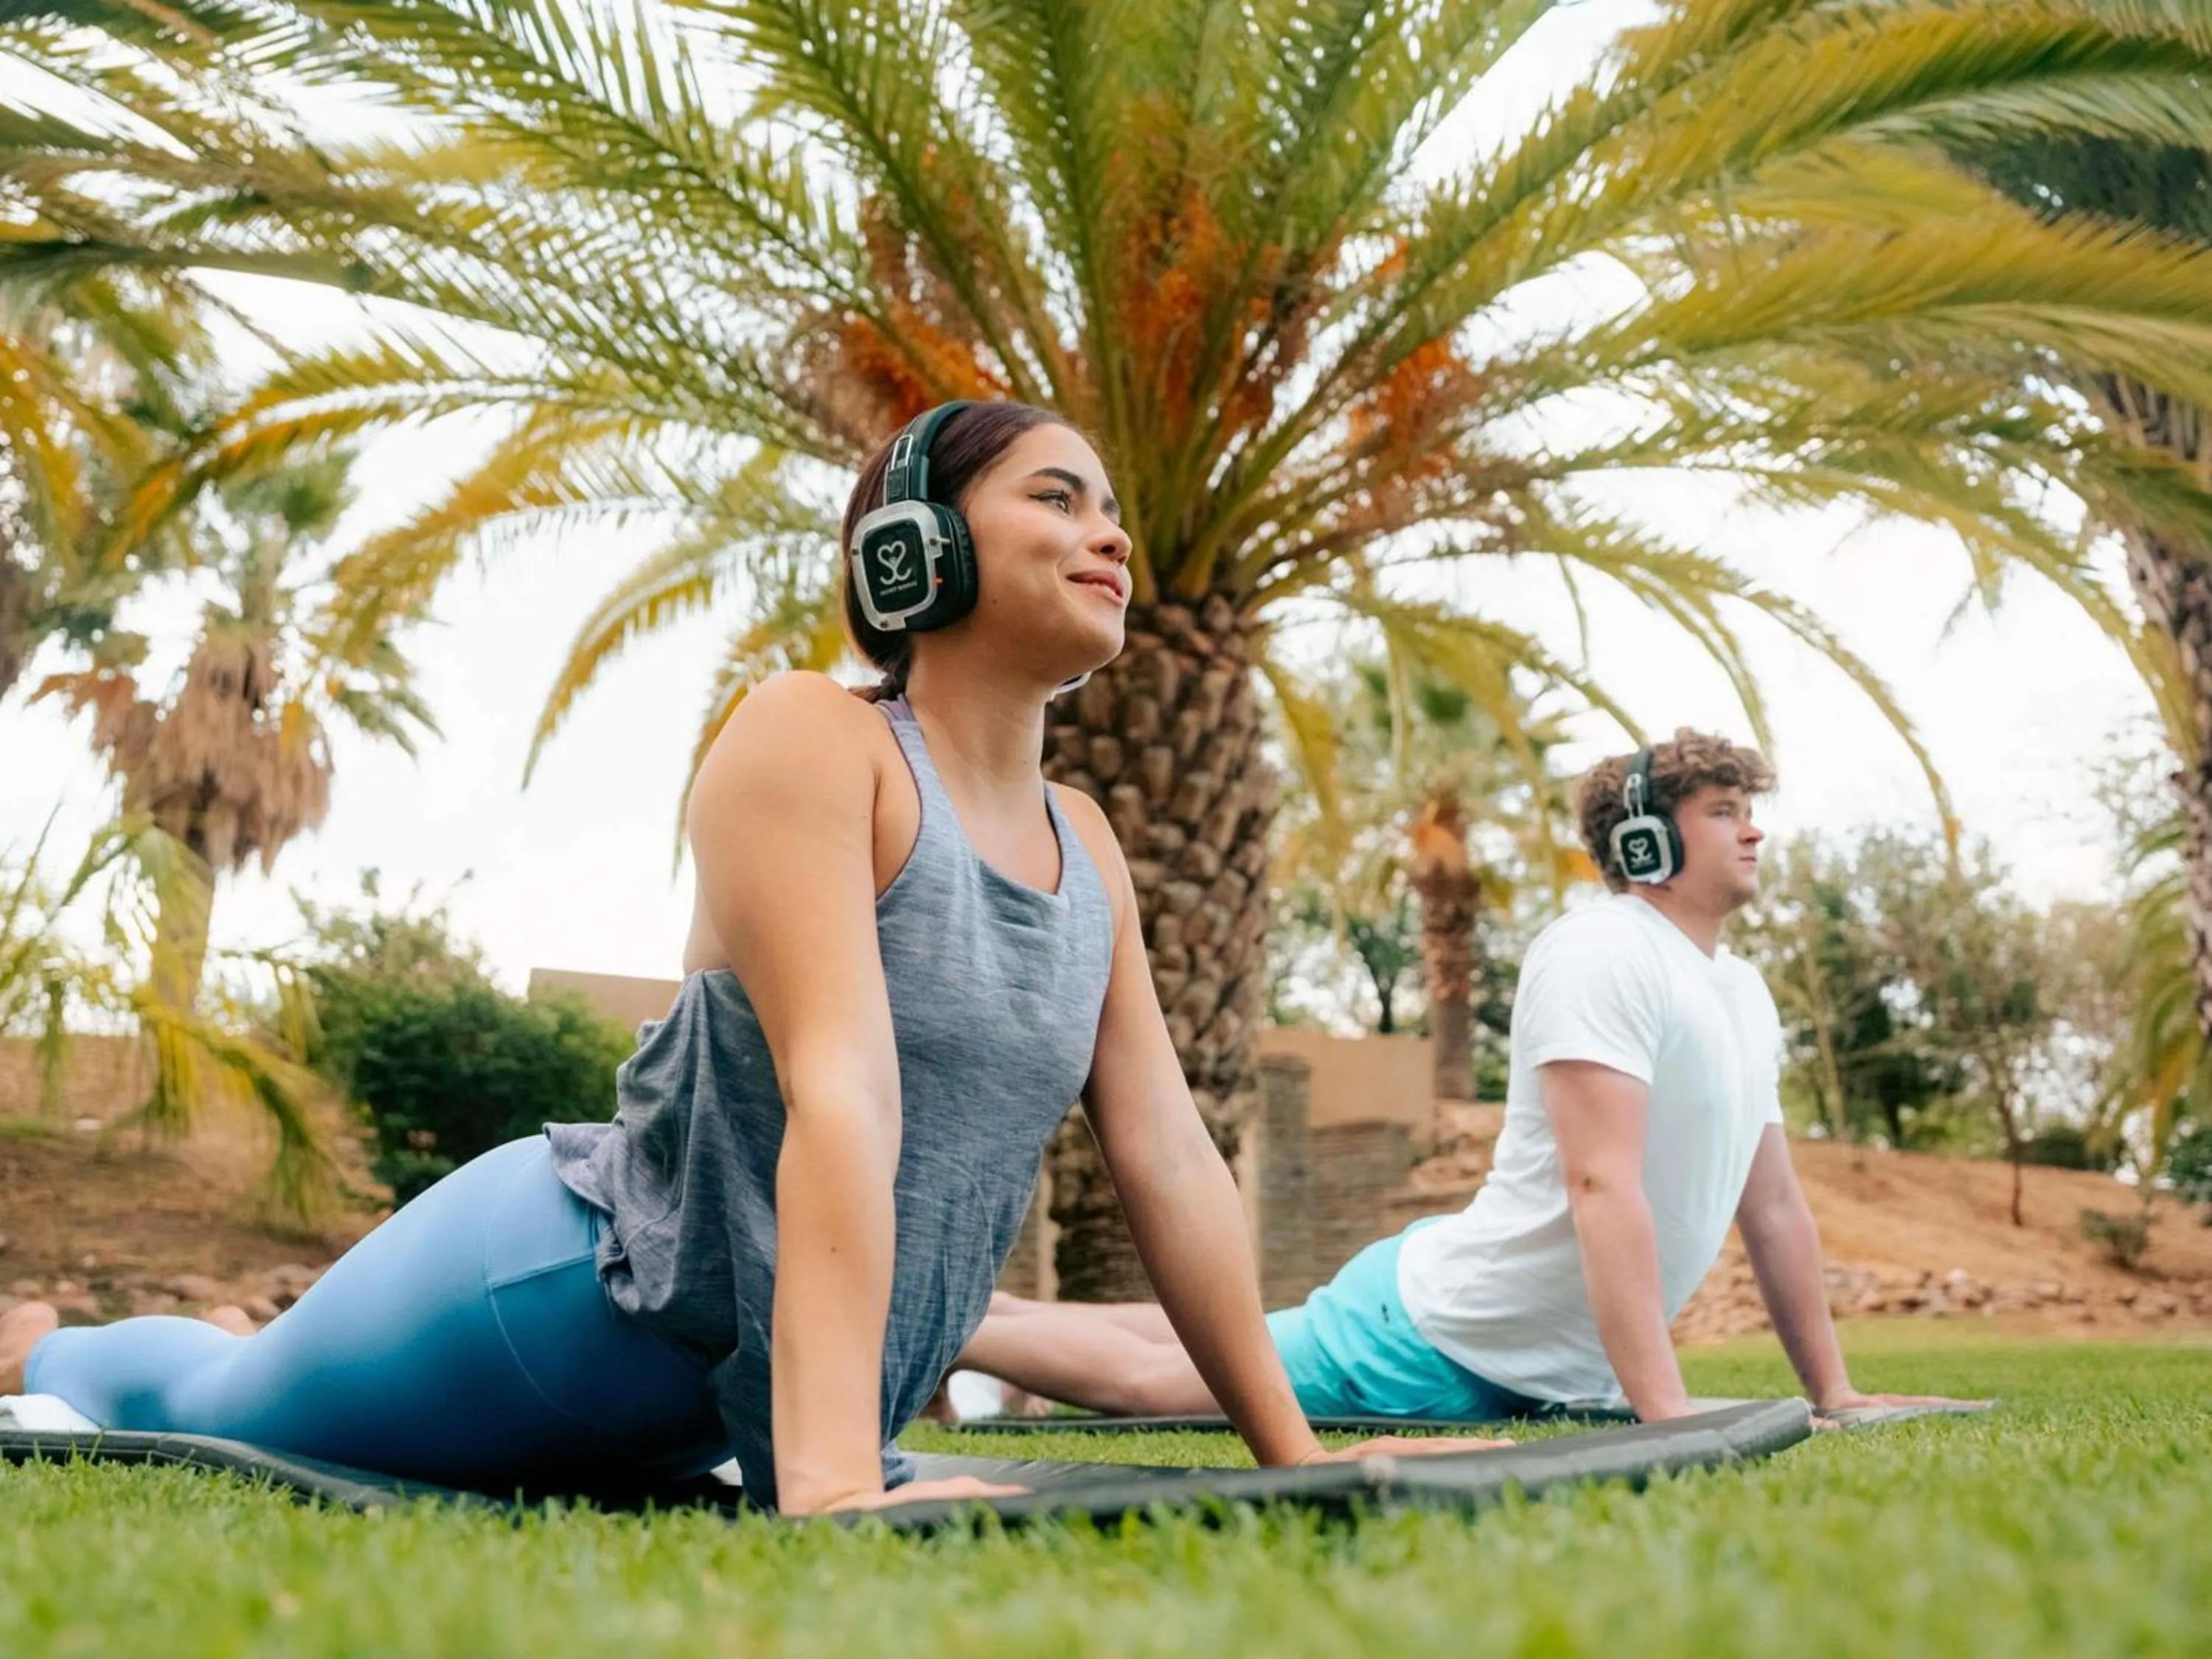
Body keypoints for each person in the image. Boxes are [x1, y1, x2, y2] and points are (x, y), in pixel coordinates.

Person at [0, 400, 1500, 1514]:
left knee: (236, 1391)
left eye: (1114, 506)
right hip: (563, 1295)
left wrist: (1296, 1462)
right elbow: (841, 1083)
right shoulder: (811, 737)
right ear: (912, 547)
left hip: (718, 1399)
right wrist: (840, 1482)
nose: (1112, 533)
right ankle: (57, 1352)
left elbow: (1170, 1155)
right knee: (214, 1404)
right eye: (1059, 496)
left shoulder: (1089, 841)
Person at [958, 732, 1972, 1427]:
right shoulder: (1601, 951)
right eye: (1723, 810)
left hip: (1504, 1348)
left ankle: (969, 1318)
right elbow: (1600, 1184)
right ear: (1646, 839)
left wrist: (1832, 1390)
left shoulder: (1741, 990)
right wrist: (1663, 1412)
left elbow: (1777, 1204)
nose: (1753, 830)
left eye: (1749, 810)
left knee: (1238, 1340)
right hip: (1442, 1341)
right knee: (1166, 1382)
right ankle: (953, 1332)